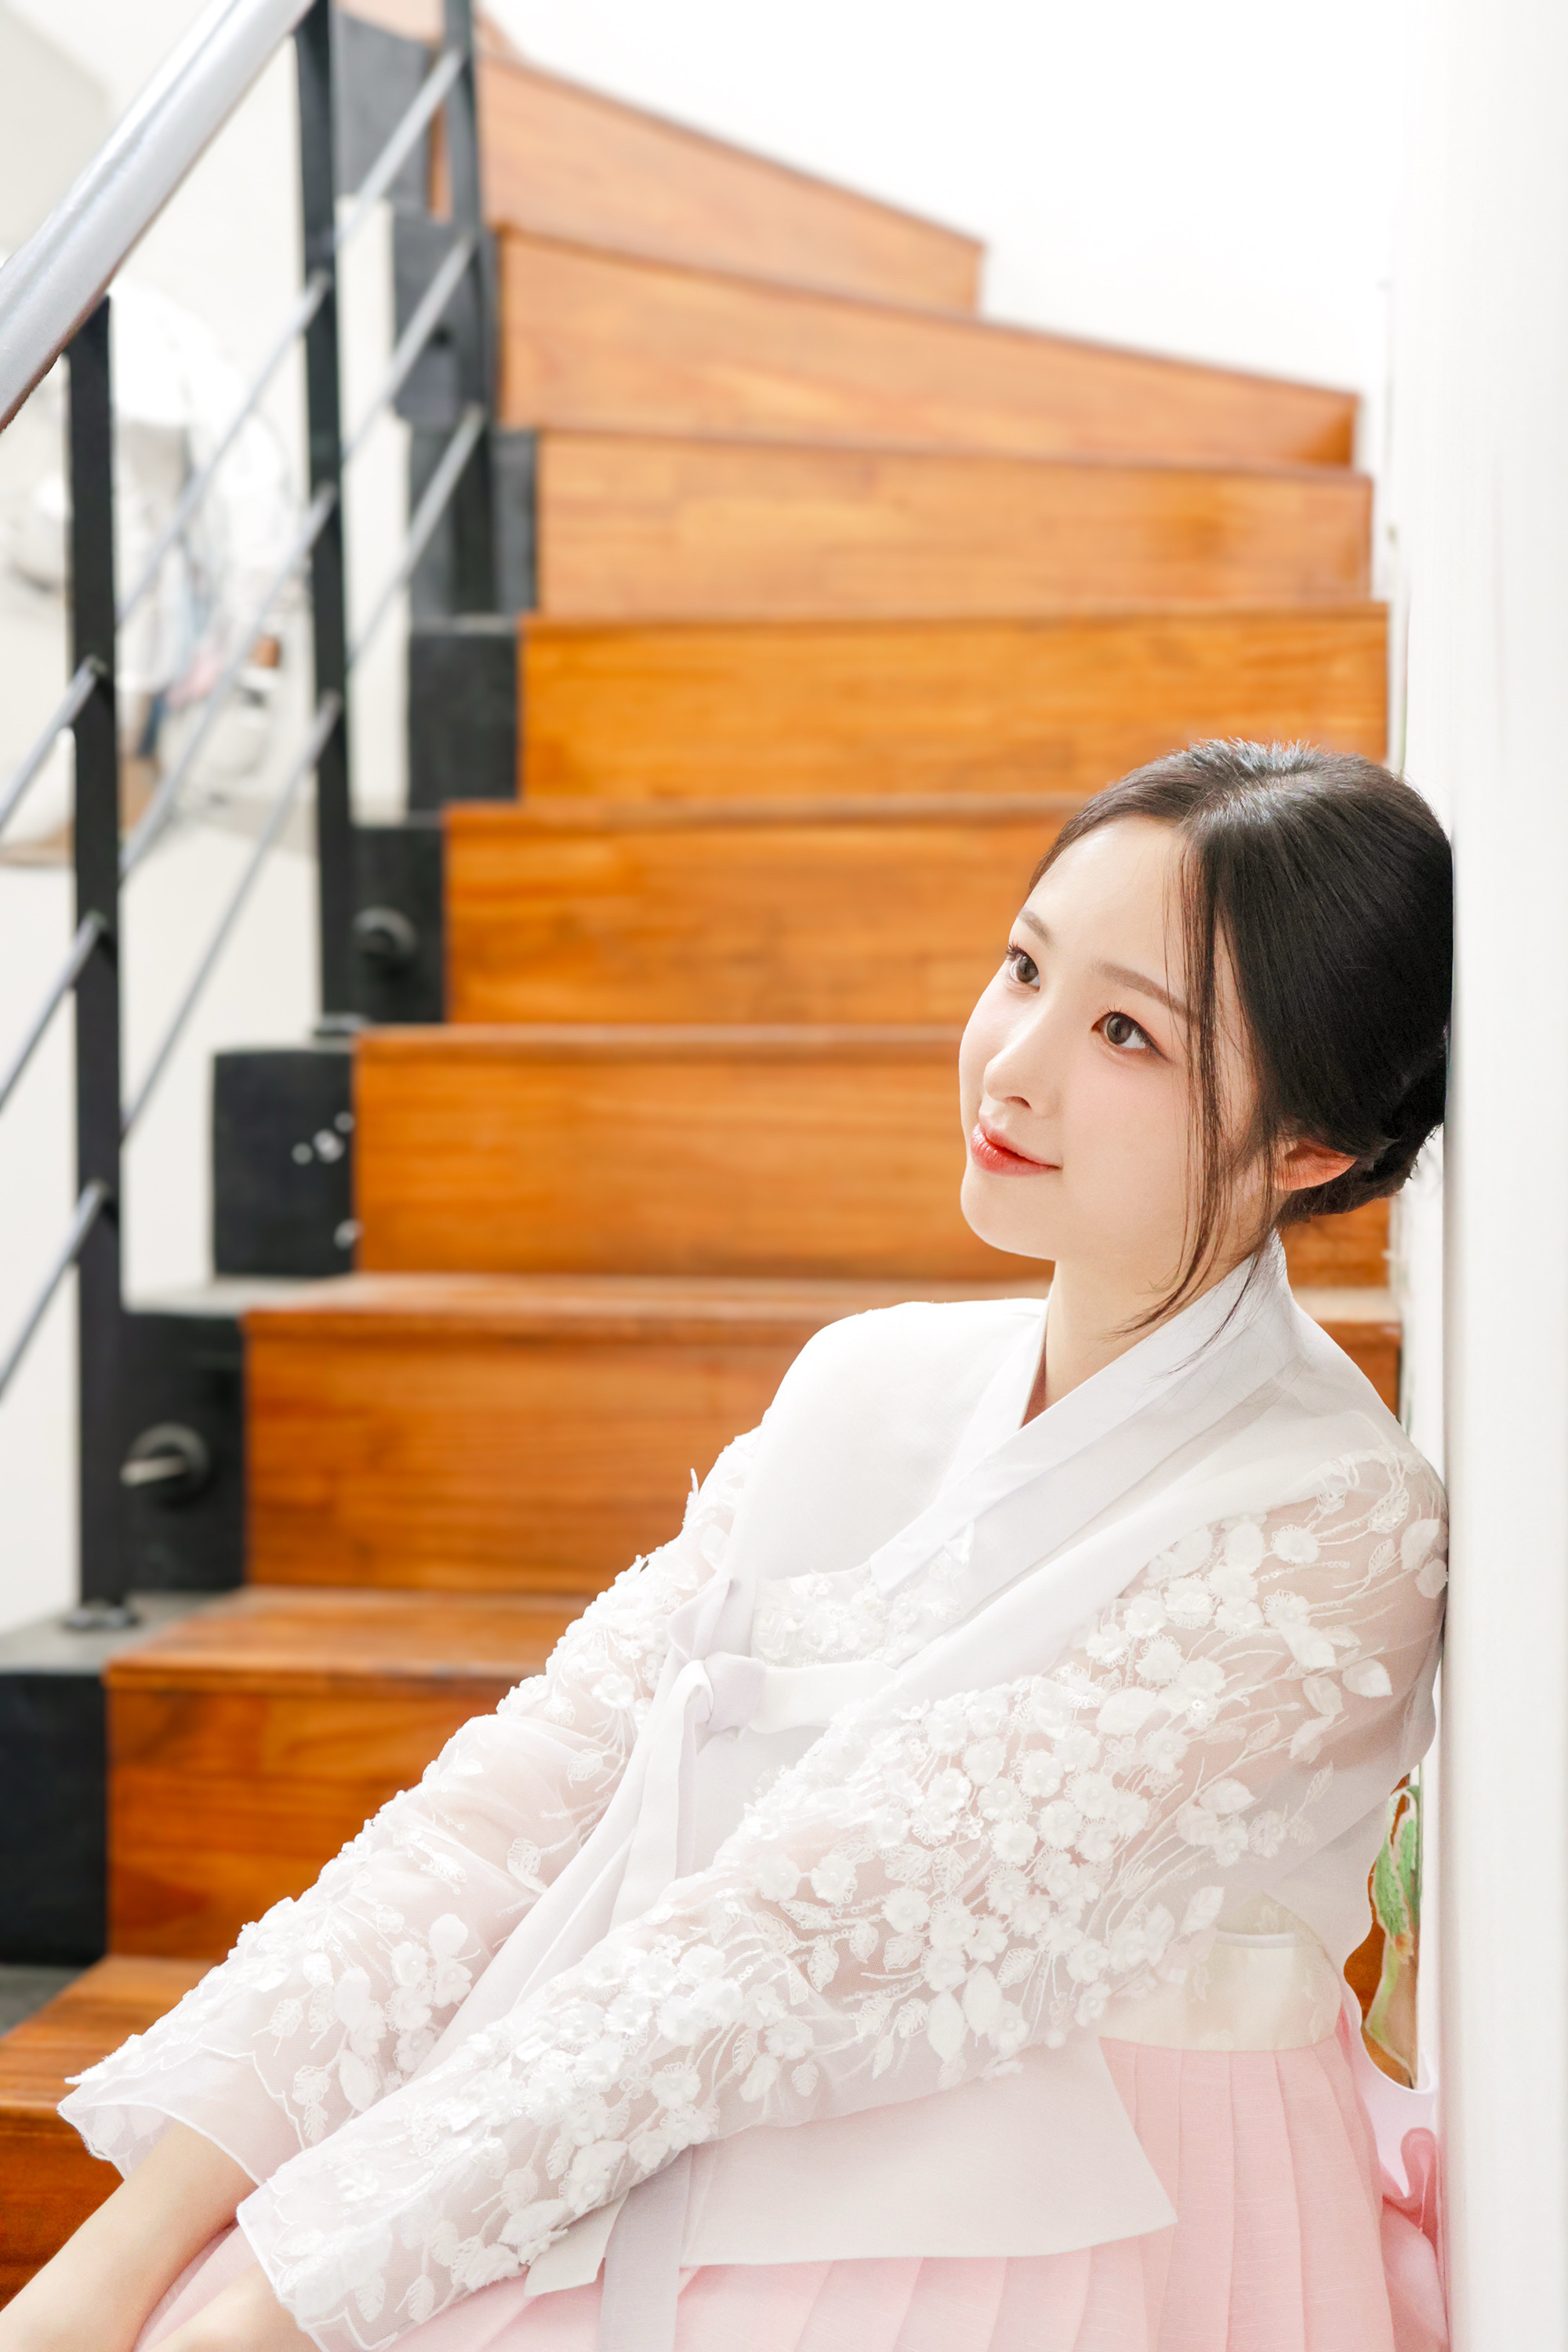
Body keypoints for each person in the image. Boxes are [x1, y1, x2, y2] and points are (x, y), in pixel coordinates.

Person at [2, 740, 1453, 2352]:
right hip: (676, 2107)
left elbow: (786, 1949)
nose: (1013, 1064)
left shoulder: (1332, 1526)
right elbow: (517, 1808)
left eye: (1127, 1032)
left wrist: (286, 2304)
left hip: (1110, 2219)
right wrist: (118, 2261)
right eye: (1024, 967)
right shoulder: (866, 1380)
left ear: (1308, 1148)